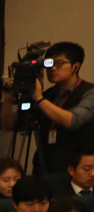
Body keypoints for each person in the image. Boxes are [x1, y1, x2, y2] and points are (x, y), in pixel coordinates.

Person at [15, 42, 94, 173]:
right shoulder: (46, 95)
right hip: (45, 166)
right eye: (49, 64)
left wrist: (39, 99)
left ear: (75, 66)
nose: (52, 69)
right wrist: (8, 95)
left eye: (60, 63)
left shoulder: (89, 92)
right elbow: (12, 125)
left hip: (78, 170)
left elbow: (72, 121)